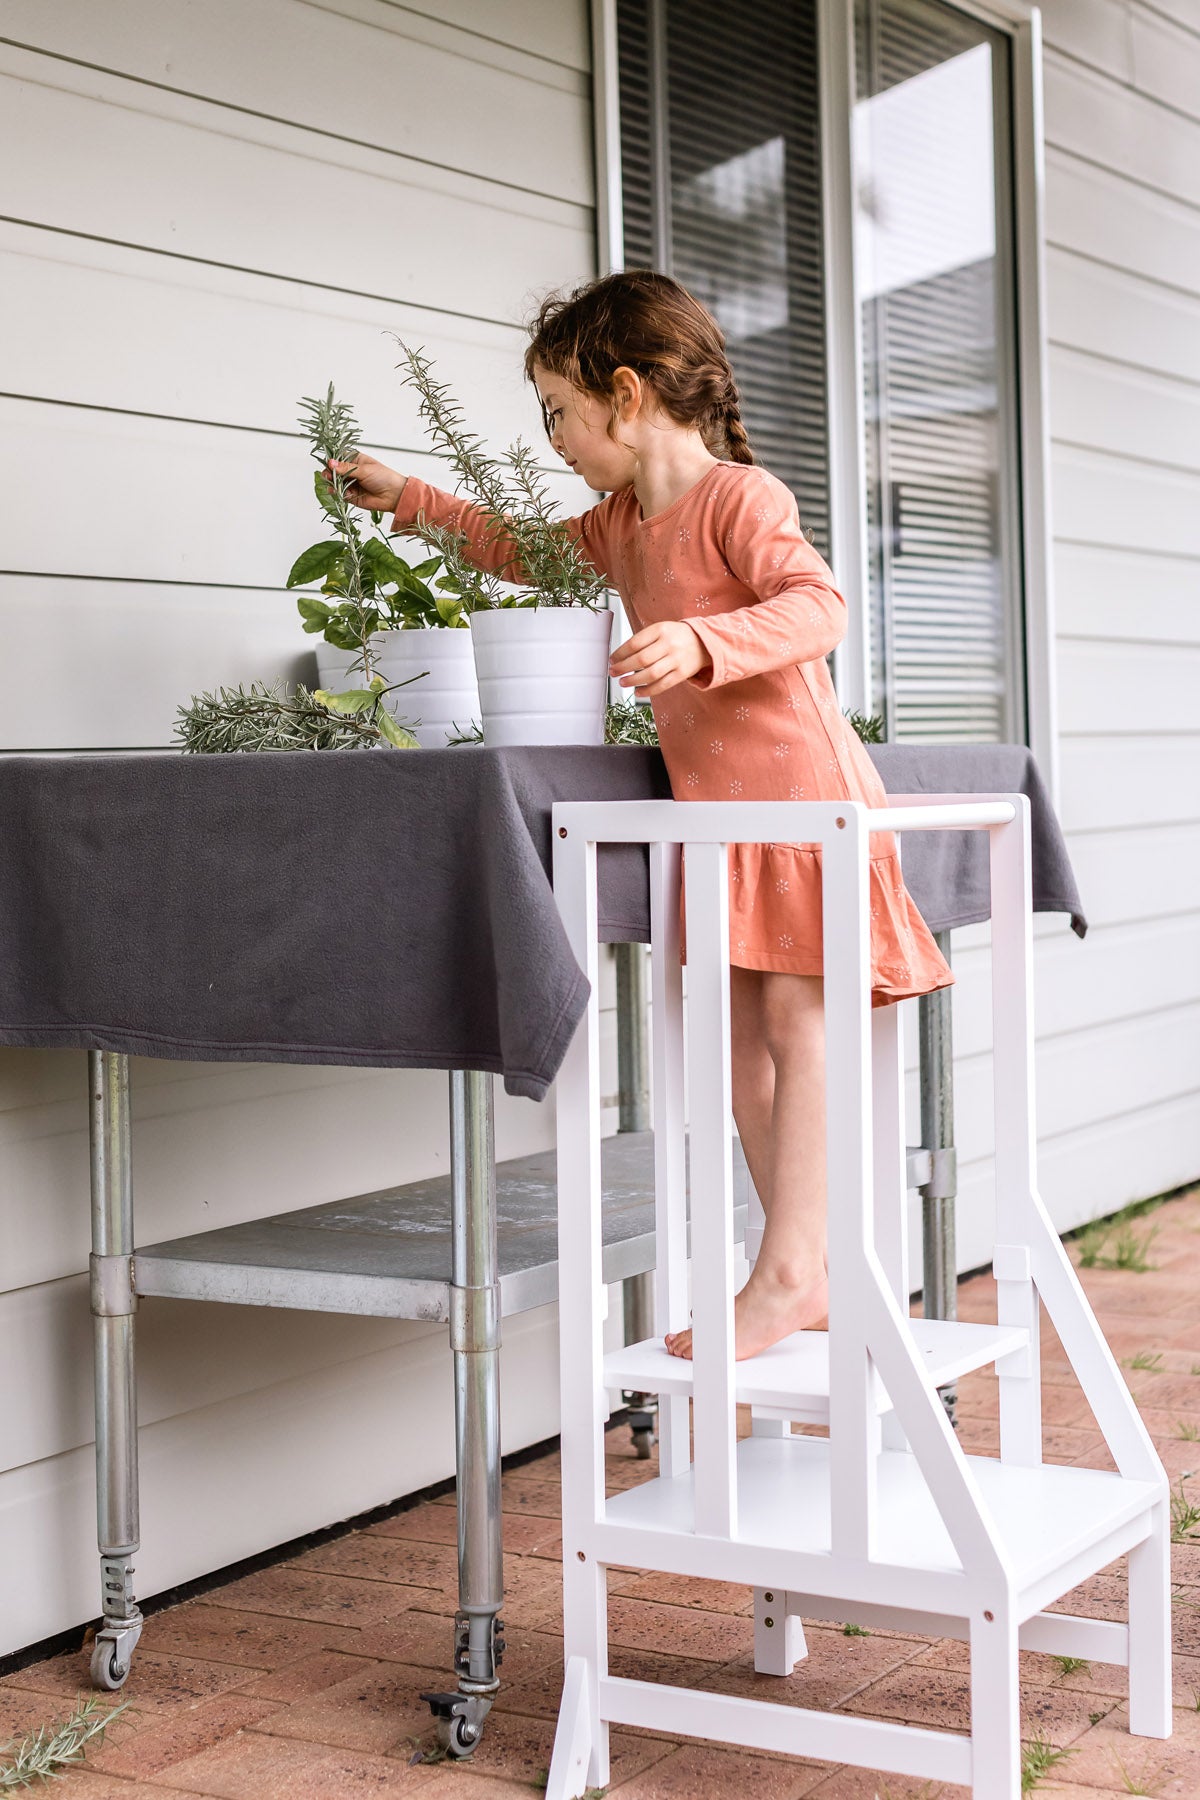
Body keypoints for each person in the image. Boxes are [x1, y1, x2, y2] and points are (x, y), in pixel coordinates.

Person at [332, 269, 952, 1363]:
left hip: (803, 807)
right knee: (739, 1048)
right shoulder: (623, 524)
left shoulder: (738, 500)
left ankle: (794, 1271)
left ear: (625, 394)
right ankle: (809, 1264)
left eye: (559, 413)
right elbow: (519, 550)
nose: (555, 438)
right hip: (724, 828)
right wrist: (413, 499)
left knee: (799, 1031)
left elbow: (819, 606)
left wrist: (706, 645)